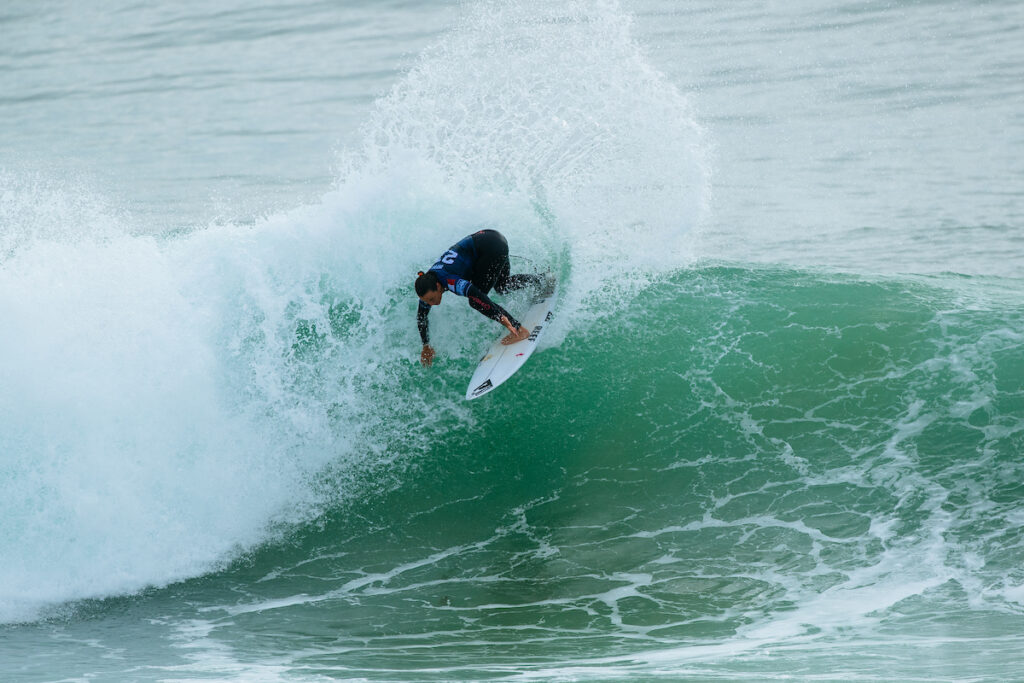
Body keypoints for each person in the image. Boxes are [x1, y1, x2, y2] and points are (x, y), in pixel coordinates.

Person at [415, 229, 545, 366]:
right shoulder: (427, 283)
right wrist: (426, 345)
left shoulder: (448, 280)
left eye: (431, 299)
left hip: (490, 249)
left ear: (437, 286)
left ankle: (519, 330)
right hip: (493, 238)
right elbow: (421, 315)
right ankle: (541, 280)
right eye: (428, 301)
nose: (432, 303)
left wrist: (501, 318)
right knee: (502, 285)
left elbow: (475, 295)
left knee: (475, 302)